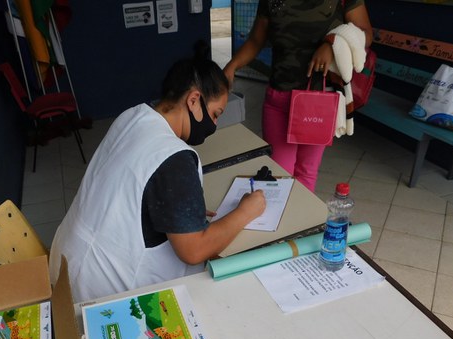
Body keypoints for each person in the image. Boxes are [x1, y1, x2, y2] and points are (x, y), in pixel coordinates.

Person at [49, 45, 266, 303]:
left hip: (64, 265)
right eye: (215, 114)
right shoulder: (174, 157)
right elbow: (194, 250)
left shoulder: (132, 117)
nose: (215, 124)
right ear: (194, 100)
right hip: (101, 295)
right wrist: (246, 212)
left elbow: (134, 189)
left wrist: (179, 210)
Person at [223, 0, 372, 192]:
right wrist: (232, 66)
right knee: (278, 174)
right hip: (278, 98)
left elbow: (365, 33)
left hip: (318, 101)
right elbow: (255, 40)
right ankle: (284, 220)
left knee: (306, 173)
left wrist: (332, 42)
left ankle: (300, 221)